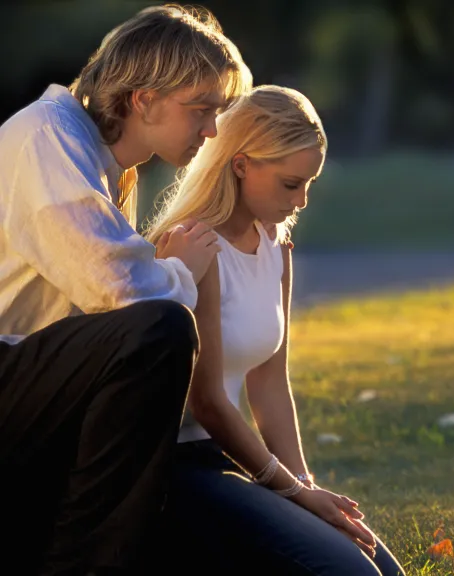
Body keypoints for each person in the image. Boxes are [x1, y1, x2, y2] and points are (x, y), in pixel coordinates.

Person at [0, 4, 251, 575]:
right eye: (201, 110)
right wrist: (180, 271)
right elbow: (121, 288)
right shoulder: (46, 136)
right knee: (159, 329)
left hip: (31, 378)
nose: (212, 130)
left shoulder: (109, 166)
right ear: (144, 99)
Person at [144, 85, 406, 575]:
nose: (303, 200)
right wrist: (288, 489)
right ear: (241, 164)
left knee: (383, 570)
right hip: (177, 463)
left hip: (233, 458)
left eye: (309, 183)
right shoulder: (194, 248)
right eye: (291, 184)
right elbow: (208, 405)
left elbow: (269, 385)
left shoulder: (274, 246)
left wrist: (304, 482)